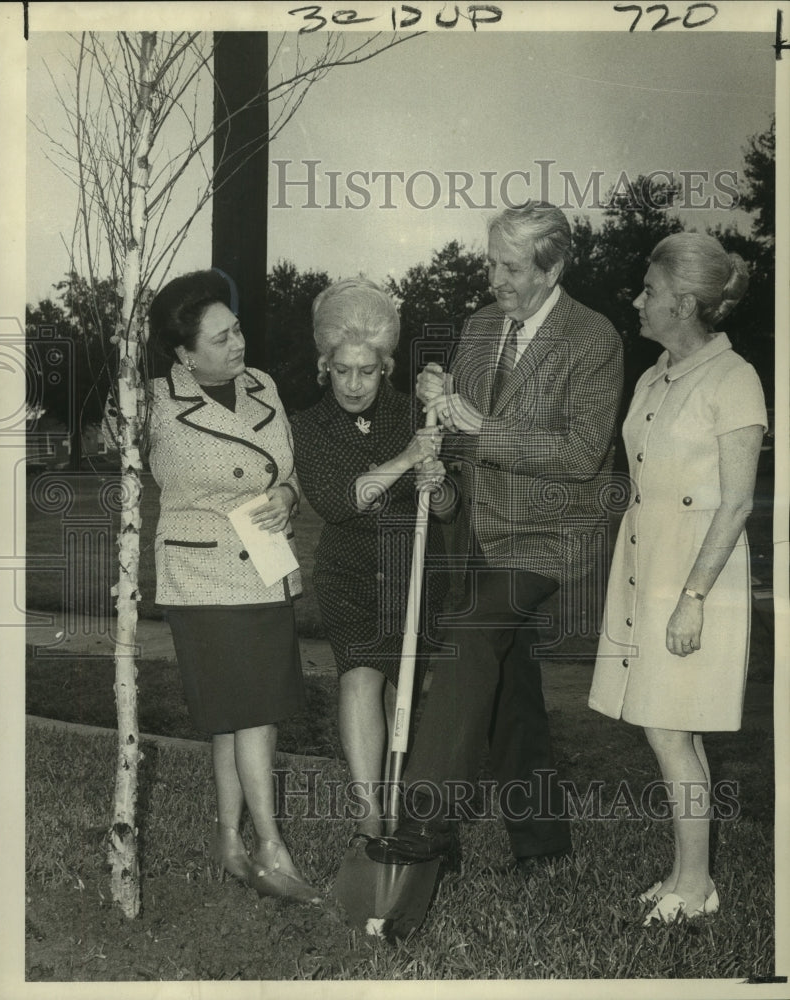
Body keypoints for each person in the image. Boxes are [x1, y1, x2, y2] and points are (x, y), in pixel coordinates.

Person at [367, 202, 624, 873]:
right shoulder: (480, 327)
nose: (493, 278)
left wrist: (478, 425)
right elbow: (461, 433)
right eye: (489, 262)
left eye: (509, 267)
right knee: (509, 682)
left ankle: (424, 825)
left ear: (552, 267)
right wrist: (440, 400)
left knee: (474, 634)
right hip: (475, 531)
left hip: (548, 537)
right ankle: (541, 845)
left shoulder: (594, 339)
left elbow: (580, 455)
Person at [588, 233, 767, 925]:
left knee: (669, 731)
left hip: (696, 578)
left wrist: (691, 599)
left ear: (685, 304)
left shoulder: (734, 379)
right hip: (647, 566)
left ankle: (694, 888)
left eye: (650, 292)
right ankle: (683, 877)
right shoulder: (654, 376)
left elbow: (737, 501)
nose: (639, 300)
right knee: (666, 729)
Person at [144, 269, 320, 904]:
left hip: (266, 570)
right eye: (219, 340)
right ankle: (272, 848)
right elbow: (124, 457)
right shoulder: (152, 404)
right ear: (185, 354)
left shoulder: (263, 386)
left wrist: (284, 494)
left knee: (237, 719)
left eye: (237, 328)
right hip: (203, 577)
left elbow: (289, 469)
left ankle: (230, 842)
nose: (237, 344)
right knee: (253, 716)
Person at [289, 277, 452, 844]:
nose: (354, 384)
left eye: (367, 369)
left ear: (385, 365)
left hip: (411, 573)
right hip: (349, 574)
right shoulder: (308, 427)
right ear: (323, 365)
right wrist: (411, 458)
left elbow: (451, 508)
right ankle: (369, 818)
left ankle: (394, 798)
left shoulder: (417, 414)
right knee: (359, 679)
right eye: (342, 370)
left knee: (396, 692)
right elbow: (339, 500)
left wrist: (439, 481)